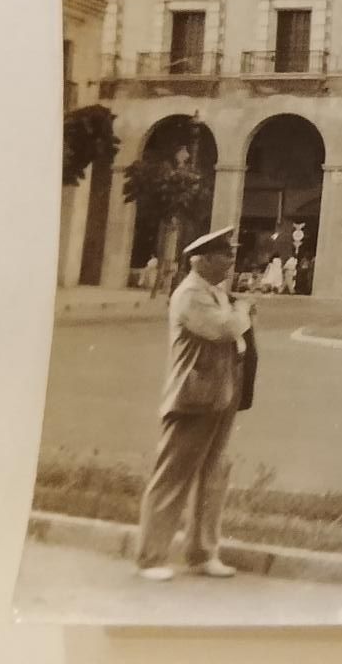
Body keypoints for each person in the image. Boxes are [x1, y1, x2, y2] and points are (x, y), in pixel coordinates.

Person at [135, 227, 254, 582]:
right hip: (193, 394)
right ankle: (151, 557)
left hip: (220, 389)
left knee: (214, 474)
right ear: (201, 261)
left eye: (230, 254)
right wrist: (243, 310)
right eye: (223, 255)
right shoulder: (190, 295)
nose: (231, 261)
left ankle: (202, 553)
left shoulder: (214, 293)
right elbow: (222, 329)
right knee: (173, 475)